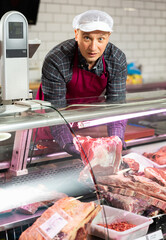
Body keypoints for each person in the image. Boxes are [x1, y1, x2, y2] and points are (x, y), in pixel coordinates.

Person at [40, 9, 127, 158]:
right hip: (52, 122)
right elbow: (55, 111)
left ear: (108, 37)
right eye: (87, 38)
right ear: (76, 34)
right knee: (51, 160)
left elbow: (116, 106)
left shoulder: (117, 59)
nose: (93, 48)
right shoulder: (57, 60)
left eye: (101, 39)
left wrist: (116, 139)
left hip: (86, 118)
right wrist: (67, 143)